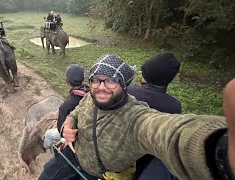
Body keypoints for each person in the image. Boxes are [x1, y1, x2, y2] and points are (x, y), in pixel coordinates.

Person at [39, 54, 233, 180]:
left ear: (125, 85)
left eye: (112, 80)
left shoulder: (135, 116)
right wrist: (68, 123)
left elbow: (168, 134)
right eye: (96, 80)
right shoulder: (90, 97)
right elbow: (76, 112)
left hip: (100, 175)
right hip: (71, 160)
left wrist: (221, 148)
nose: (101, 86)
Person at [126, 52, 181, 180]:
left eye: (143, 72)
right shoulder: (174, 106)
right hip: (148, 161)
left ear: (148, 76)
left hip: (120, 154)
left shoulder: (128, 91)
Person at [43, 64, 90, 149]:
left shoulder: (66, 105)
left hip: (74, 133)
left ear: (67, 81)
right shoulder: (88, 92)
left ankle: (45, 147)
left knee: (48, 134)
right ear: (83, 79)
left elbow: (60, 129)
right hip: (86, 127)